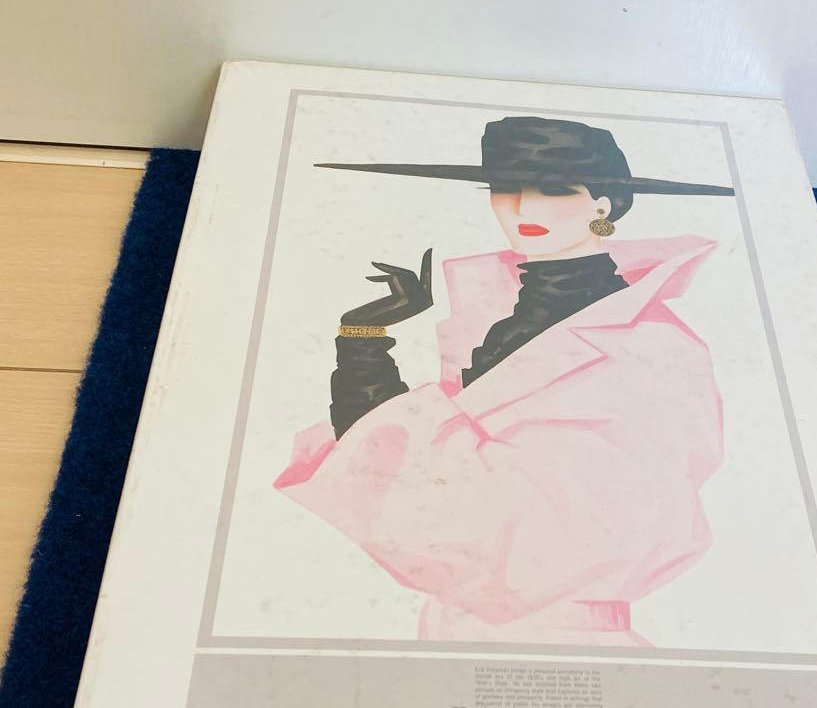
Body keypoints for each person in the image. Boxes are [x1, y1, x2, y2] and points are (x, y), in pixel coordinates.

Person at [275, 116, 731, 646]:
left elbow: (512, 525)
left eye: (554, 189)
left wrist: (365, 356)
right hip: (455, 631)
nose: (522, 208)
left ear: (603, 205)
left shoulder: (650, 346)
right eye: (505, 186)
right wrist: (363, 337)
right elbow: (426, 477)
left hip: (564, 641)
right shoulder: (501, 321)